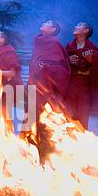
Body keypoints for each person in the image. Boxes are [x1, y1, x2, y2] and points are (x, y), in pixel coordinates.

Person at [27, 20, 71, 163]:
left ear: (53, 29)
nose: (43, 24)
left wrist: (45, 67)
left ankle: (47, 156)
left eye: (47, 23)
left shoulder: (54, 44)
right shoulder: (38, 42)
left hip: (46, 90)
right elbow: (34, 62)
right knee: (31, 119)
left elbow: (62, 68)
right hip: (35, 84)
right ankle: (32, 152)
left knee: (43, 121)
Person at [64, 22, 98, 129]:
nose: (75, 26)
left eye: (79, 25)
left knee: (82, 114)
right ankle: (66, 138)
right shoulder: (69, 47)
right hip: (71, 85)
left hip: (84, 86)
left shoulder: (92, 48)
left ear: (86, 31)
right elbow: (61, 63)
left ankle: (81, 139)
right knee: (68, 112)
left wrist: (90, 60)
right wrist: (67, 60)